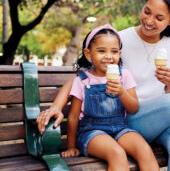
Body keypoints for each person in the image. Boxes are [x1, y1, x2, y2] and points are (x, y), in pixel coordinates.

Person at [37, 0, 170, 171]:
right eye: (147, 11)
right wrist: (56, 105)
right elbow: (83, 77)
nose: (149, 21)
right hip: (127, 117)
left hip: (159, 120)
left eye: (159, 18)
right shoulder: (120, 40)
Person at [60, 24, 159, 171]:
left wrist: (121, 92)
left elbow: (133, 108)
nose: (108, 56)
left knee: (144, 149)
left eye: (114, 51)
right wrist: (71, 147)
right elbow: (73, 117)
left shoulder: (124, 76)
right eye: (101, 51)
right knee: (117, 153)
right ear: (88, 54)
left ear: (119, 54)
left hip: (120, 128)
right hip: (91, 132)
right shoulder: (82, 80)